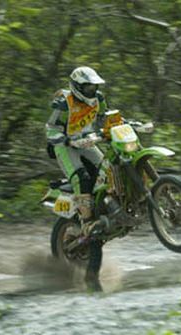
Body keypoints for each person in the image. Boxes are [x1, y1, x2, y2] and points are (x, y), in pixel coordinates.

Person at [45, 66, 108, 224]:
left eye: (94, 86)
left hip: (86, 141)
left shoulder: (98, 99)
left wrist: (122, 123)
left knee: (108, 169)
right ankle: (87, 221)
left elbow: (105, 117)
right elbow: (50, 129)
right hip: (65, 145)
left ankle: (104, 206)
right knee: (81, 177)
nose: (92, 90)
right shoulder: (64, 104)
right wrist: (68, 140)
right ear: (78, 86)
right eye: (88, 87)